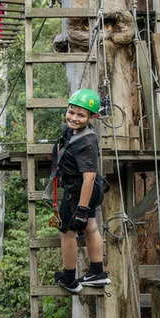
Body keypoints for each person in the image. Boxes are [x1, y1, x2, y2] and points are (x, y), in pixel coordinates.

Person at [51, 88, 110, 293]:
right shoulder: (73, 131)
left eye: (81, 115)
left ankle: (69, 279)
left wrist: (81, 209)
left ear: (92, 117)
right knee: (91, 228)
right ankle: (97, 272)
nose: (74, 118)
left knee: (67, 232)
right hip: (88, 191)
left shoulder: (86, 142)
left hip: (80, 193)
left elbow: (89, 177)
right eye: (71, 112)